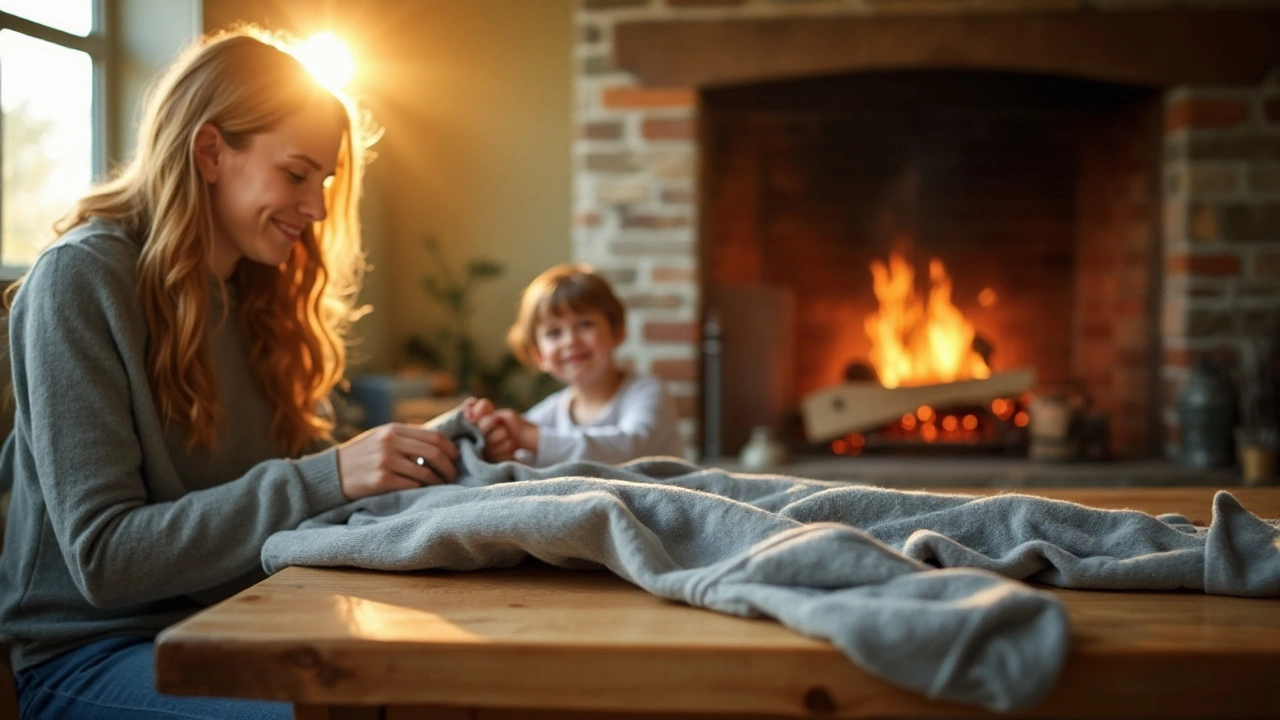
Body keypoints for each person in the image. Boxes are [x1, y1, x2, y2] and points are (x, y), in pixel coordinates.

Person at [0, 26, 462, 720]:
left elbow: (308, 494)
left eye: (325, 181)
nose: (316, 209)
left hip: (245, 617)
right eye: (297, 173)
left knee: (433, 685)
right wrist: (331, 473)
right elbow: (104, 557)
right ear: (212, 151)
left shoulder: (258, 298)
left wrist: (444, 447)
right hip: (93, 653)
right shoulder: (80, 281)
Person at [466, 263, 683, 466]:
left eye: (585, 324)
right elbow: (521, 459)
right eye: (554, 333)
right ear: (538, 355)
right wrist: (501, 445)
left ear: (617, 331)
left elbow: (629, 448)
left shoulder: (648, 391)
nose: (570, 341)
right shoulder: (547, 414)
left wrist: (528, 437)